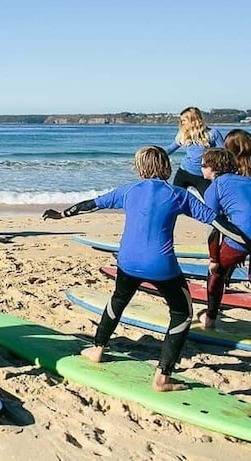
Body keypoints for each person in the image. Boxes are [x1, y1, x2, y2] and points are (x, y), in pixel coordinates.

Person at [42, 145, 250, 391]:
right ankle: (163, 377)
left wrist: (61, 215)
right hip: (161, 267)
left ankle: (97, 349)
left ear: (140, 168)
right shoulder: (178, 195)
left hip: (127, 262)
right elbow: (218, 223)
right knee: (182, 315)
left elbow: (91, 204)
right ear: (166, 166)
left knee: (118, 301)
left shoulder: (128, 191)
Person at [200, 148, 251, 329]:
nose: (201, 168)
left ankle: (210, 317)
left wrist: (214, 259)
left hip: (244, 235)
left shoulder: (215, 188)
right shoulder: (247, 180)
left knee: (216, 272)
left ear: (212, 167)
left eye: (203, 164)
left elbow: (213, 228)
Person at [165, 107, 225, 198]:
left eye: (184, 120)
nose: (181, 123)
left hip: (203, 175)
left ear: (193, 120)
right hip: (184, 172)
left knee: (210, 202)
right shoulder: (184, 134)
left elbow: (224, 153)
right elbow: (170, 149)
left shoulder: (213, 134)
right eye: (181, 121)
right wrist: (155, 155)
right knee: (176, 199)